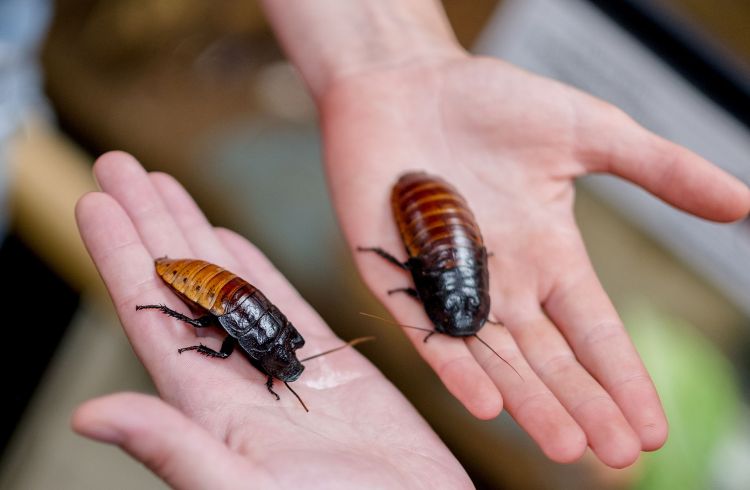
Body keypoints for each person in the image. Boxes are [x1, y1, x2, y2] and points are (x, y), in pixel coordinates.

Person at [73, 1, 750, 485]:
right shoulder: (271, 342)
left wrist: (389, 53)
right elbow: (230, 335)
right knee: (203, 318)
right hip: (212, 285)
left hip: (267, 271)